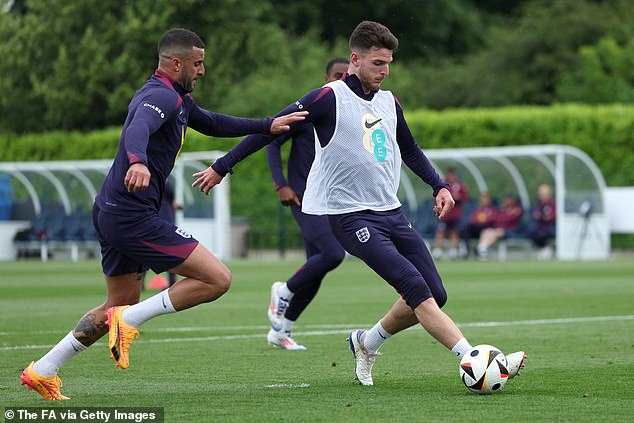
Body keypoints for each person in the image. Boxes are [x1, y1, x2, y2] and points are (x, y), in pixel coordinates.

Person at [192, 21, 525, 386]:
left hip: (391, 213)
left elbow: (410, 149)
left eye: (388, 64)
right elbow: (273, 127)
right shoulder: (327, 97)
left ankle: (366, 343)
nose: (385, 70)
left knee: (436, 293)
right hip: (351, 218)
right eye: (378, 63)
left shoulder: (388, 100)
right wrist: (222, 166)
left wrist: (438, 185)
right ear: (355, 59)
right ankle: (474, 359)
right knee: (415, 288)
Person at [20, 28, 307, 400]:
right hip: (130, 214)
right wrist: (137, 161)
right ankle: (130, 321)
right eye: (197, 63)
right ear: (176, 64)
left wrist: (265, 125)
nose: (202, 70)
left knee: (116, 306)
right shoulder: (160, 97)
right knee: (217, 279)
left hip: (112, 211)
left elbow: (214, 123)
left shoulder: (177, 98)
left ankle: (42, 370)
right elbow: (138, 128)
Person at [264, 58, 349, 350]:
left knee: (320, 265)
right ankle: (283, 290)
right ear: (325, 77)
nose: (342, 79)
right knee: (333, 254)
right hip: (303, 197)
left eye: (347, 76)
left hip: (332, 200)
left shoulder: (348, 113)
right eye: (337, 75)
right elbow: (271, 143)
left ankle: (282, 330)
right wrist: (281, 184)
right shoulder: (307, 110)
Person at [432, 168, 469, 260]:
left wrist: (458, 197)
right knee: (441, 231)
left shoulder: (459, 184)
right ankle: (437, 251)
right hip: (445, 213)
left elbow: (465, 197)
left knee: (454, 232)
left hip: (455, 214)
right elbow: (435, 195)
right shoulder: (443, 183)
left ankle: (453, 251)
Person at [476, 193, 524, 259]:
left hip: (511, 231)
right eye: (507, 199)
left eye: (509, 199)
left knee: (497, 232)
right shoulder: (503, 209)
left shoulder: (517, 210)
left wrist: (499, 218)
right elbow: (497, 218)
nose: (507, 201)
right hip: (499, 229)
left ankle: (482, 249)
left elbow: (506, 219)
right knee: (486, 231)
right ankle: (482, 248)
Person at [461, 192, 497, 258]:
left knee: (484, 230)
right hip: (476, 229)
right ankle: (466, 249)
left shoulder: (492, 210)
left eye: (485, 198)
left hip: (486, 229)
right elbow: (473, 220)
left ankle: (479, 251)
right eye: (482, 198)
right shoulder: (478, 210)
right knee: (465, 228)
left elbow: (490, 221)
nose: (484, 200)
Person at [528, 183, 556, 259]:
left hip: (551, 227)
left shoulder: (553, 204)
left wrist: (541, 217)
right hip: (541, 227)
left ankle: (546, 250)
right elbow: (535, 215)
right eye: (540, 195)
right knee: (531, 233)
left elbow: (551, 217)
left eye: (542, 195)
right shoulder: (539, 204)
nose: (540, 197)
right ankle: (544, 249)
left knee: (541, 234)